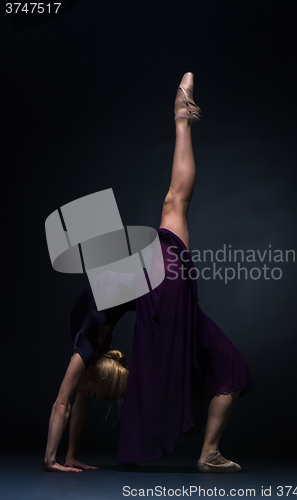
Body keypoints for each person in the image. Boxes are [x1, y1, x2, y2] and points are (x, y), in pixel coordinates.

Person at [116, 72, 253, 472]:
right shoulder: (99, 319)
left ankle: (208, 454)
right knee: (174, 202)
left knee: (233, 370)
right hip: (164, 298)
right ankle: (181, 118)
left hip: (165, 300)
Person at [44, 284, 135, 472]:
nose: (85, 394)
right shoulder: (86, 348)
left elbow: (74, 405)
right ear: (91, 370)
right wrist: (51, 461)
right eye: (91, 392)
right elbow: (62, 404)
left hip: (128, 286)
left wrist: (68, 457)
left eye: (90, 393)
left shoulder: (92, 354)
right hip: (124, 284)